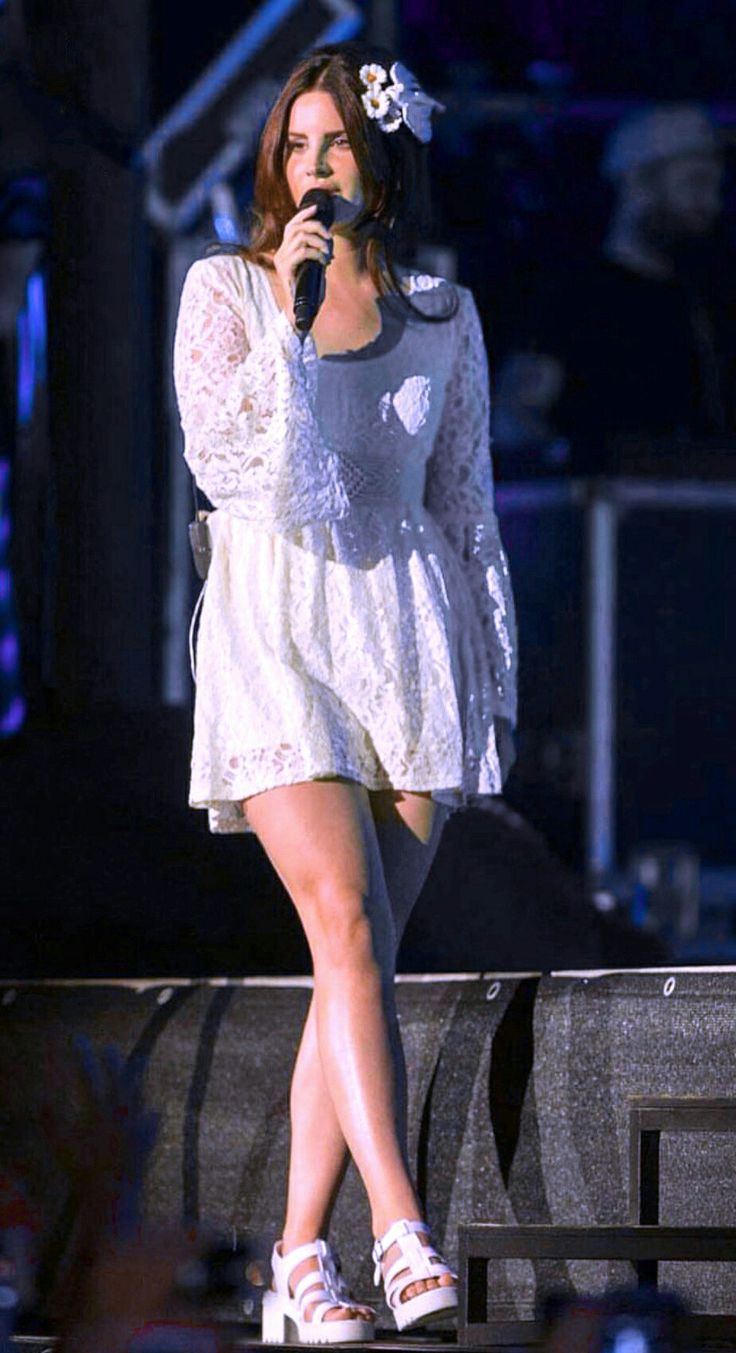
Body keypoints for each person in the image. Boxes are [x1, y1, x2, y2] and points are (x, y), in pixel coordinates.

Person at [173, 40, 517, 1343]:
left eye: (339, 146)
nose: (316, 169)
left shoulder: (445, 313)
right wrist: (299, 324)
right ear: (278, 161)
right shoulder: (230, 290)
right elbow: (241, 468)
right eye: (298, 146)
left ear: (380, 159)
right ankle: (401, 1228)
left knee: (350, 959)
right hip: (278, 629)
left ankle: (298, 1263)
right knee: (345, 924)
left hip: (413, 641)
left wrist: (495, 682)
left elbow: (466, 508)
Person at [493, 102, 734, 477]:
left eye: (713, 188)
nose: (709, 205)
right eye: (694, 184)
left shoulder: (705, 299)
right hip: (608, 522)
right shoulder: (575, 296)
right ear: (637, 183)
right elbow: (514, 416)